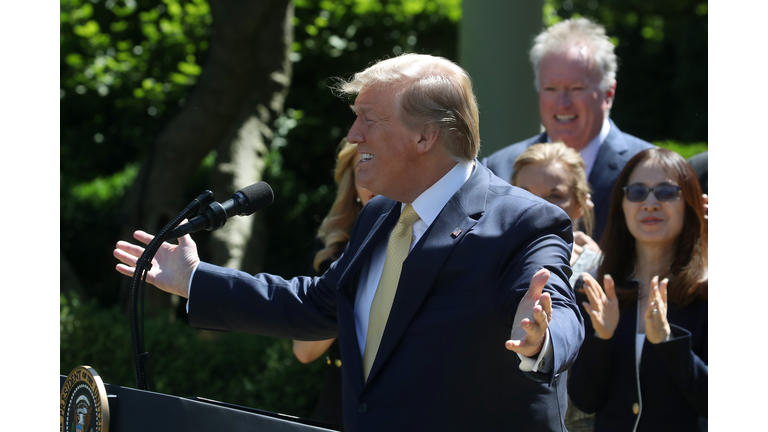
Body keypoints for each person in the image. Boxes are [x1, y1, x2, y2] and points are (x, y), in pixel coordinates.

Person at [114, 53, 584, 432]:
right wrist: (195, 281)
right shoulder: (381, 212)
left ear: (425, 136)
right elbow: (317, 305)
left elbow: (559, 309)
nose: (353, 135)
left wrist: (539, 341)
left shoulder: (525, 220)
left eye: (367, 119)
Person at [568, 147, 708, 431]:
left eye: (666, 192)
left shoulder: (709, 292)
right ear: (622, 205)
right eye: (637, 192)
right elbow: (584, 400)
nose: (650, 203)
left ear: (690, 202)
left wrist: (669, 344)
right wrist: (602, 338)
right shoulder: (597, 288)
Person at [482, 17, 654, 243]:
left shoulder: (650, 169)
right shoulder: (496, 171)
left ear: (609, 94)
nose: (562, 103)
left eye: (576, 88)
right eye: (550, 89)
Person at [510, 142, 599, 432]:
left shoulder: (603, 270)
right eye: (527, 194)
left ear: (580, 203)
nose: (540, 206)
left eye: (555, 196)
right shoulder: (489, 261)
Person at [293, 138, 375, 430]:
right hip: (340, 400)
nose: (372, 178)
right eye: (361, 167)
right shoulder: (332, 248)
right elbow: (304, 352)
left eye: (378, 161)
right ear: (351, 185)